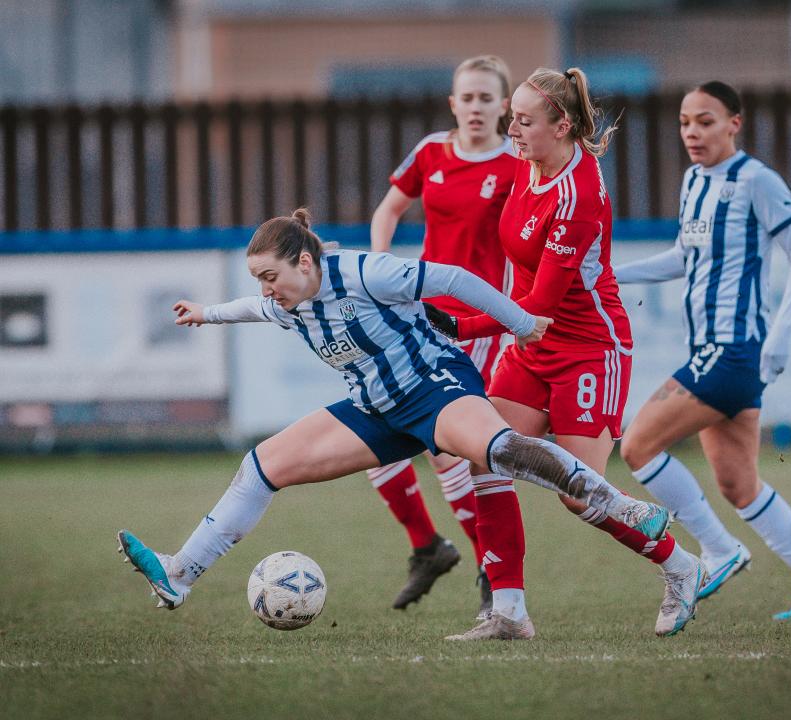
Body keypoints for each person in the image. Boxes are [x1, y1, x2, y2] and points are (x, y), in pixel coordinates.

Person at [117, 208, 672, 642]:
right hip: (376, 410)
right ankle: (180, 575)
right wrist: (205, 313)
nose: (266, 289)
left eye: (271, 276)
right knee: (262, 466)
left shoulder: (364, 271)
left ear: (304, 263)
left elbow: (453, 278)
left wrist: (521, 322)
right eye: (259, 279)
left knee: (499, 451)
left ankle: (619, 505)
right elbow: (247, 308)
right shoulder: (285, 304)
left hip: (435, 390)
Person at [426, 67, 706, 638]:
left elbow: (536, 311)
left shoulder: (579, 194)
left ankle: (680, 565)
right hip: (529, 343)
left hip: (586, 347)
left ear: (563, 126)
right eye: (513, 118)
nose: (513, 130)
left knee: (579, 496)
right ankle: (508, 611)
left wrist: (458, 327)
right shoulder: (524, 164)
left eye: (524, 121)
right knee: (486, 455)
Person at [614, 81, 791, 620]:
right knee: (738, 483)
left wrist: (782, 334)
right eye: (684, 122)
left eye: (704, 120)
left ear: (733, 124)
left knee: (637, 445)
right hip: (711, 349)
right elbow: (683, 255)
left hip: (733, 352)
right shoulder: (694, 180)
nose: (692, 132)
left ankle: (719, 551)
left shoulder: (756, 181)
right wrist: (611, 274)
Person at [365, 55, 518, 616]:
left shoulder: (516, 166)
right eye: (467, 98)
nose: (476, 107)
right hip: (416, 314)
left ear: (505, 106)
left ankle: (489, 569)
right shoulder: (431, 152)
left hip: (474, 328)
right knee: (376, 438)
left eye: (486, 98)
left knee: (446, 448)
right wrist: (380, 266)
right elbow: (390, 208)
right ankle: (428, 547)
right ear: (453, 103)